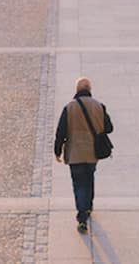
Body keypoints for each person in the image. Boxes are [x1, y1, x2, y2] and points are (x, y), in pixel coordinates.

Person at [54, 77, 114, 234]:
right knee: (90, 177)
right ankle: (88, 207)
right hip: (93, 152)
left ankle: (82, 217)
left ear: (76, 90)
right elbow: (109, 128)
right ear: (90, 89)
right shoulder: (99, 106)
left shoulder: (69, 108)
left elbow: (60, 132)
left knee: (79, 184)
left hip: (75, 152)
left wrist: (57, 151)